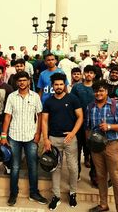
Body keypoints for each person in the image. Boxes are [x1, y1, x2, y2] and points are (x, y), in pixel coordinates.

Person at [0, 71, 47, 206]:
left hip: (31, 136)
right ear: (16, 82)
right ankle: (13, 193)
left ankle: (34, 193)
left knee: (33, 166)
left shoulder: (35, 97)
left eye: (24, 80)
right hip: (14, 136)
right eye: (19, 80)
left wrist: (38, 134)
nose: (22, 83)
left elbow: (40, 116)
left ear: (28, 81)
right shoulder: (11, 97)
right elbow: (7, 117)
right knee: (14, 167)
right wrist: (4, 136)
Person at [42, 73, 83, 210]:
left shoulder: (73, 99)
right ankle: (56, 196)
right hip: (53, 139)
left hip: (70, 139)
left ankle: (72, 193)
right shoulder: (48, 101)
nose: (59, 87)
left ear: (64, 85)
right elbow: (44, 121)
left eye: (61, 84)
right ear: (52, 86)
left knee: (73, 167)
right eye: (56, 84)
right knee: (55, 168)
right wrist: (46, 139)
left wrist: (72, 133)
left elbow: (80, 117)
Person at [86, 80, 118, 212]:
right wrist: (90, 141)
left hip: (112, 145)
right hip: (96, 148)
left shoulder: (116, 106)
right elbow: (87, 127)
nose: (98, 93)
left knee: (115, 177)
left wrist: (109, 126)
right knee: (101, 176)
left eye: (101, 91)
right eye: (96, 91)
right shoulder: (90, 107)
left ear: (106, 92)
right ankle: (103, 205)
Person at [71, 65, 96, 181]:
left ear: (94, 75)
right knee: (77, 148)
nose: (89, 75)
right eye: (87, 72)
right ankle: (77, 173)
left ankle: (94, 176)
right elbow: (72, 104)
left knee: (93, 149)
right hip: (79, 122)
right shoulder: (77, 88)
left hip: (94, 124)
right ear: (83, 74)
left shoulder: (97, 88)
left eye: (91, 73)